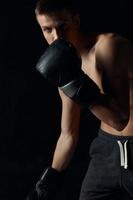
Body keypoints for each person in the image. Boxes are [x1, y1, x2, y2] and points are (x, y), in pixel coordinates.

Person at [28, 0, 133, 199]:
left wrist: (73, 81)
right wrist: (45, 184)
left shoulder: (109, 47)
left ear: (76, 20)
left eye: (62, 27)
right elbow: (68, 134)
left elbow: (119, 120)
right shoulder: (66, 66)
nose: (56, 37)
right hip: (105, 152)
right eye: (47, 29)